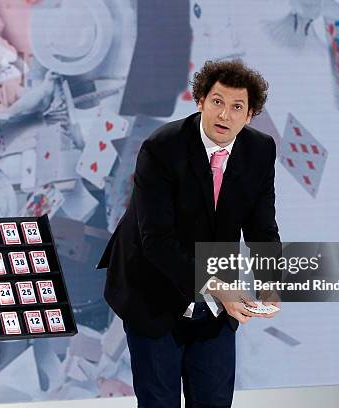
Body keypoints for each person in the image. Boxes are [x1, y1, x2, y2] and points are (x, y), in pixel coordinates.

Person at [97, 59, 282, 408]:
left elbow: (262, 226)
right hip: (151, 289)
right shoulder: (161, 148)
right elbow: (158, 241)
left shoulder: (260, 150)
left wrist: (269, 283)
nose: (224, 115)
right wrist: (219, 288)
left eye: (236, 106)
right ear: (199, 101)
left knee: (213, 399)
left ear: (250, 113)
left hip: (215, 298)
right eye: (217, 102)